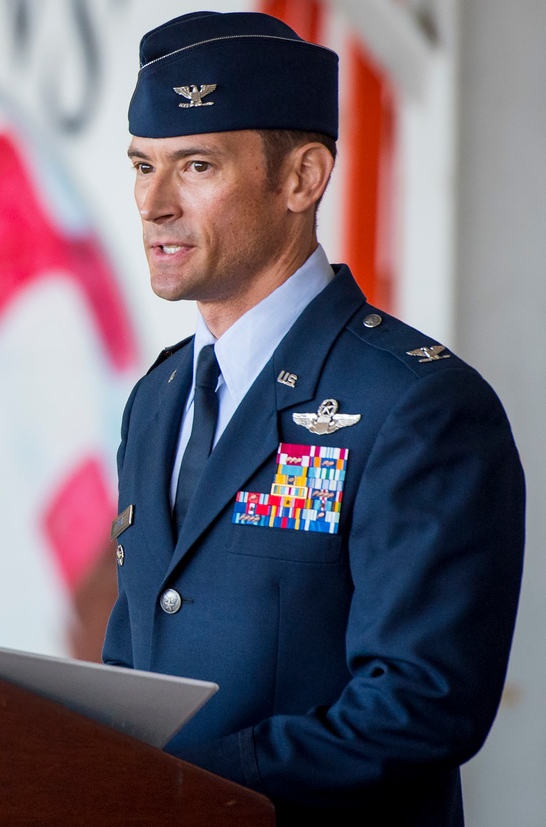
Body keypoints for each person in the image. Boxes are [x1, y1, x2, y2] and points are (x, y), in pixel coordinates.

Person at [101, 11, 524, 825]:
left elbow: (420, 707)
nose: (153, 204)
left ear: (302, 178)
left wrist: (180, 781)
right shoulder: (157, 400)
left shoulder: (418, 404)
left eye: (195, 165)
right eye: (140, 166)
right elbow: (134, 669)